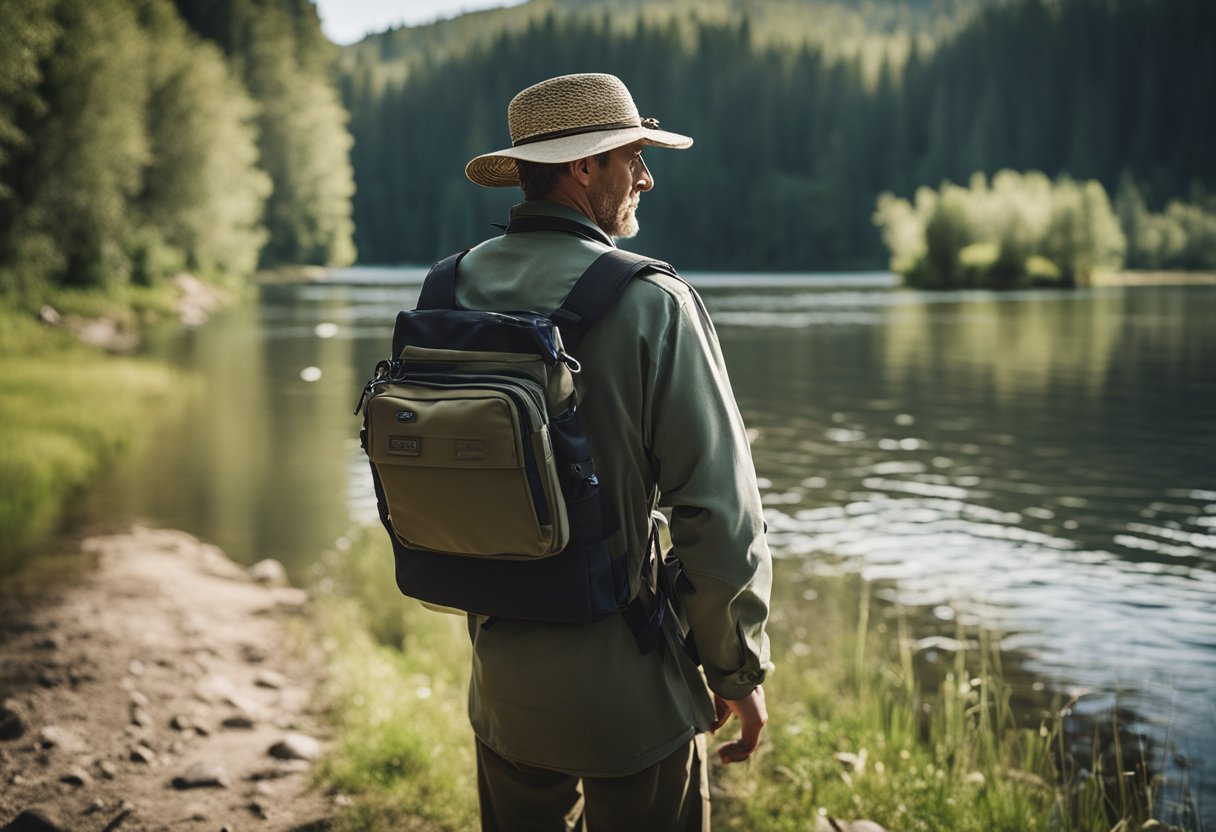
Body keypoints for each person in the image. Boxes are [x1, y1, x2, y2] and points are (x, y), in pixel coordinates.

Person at [455, 72, 772, 831]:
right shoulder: (653, 302)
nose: (645, 176)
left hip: (501, 681)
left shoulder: (449, 290)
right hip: (629, 691)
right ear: (583, 166)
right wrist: (737, 668)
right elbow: (719, 516)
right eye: (633, 155)